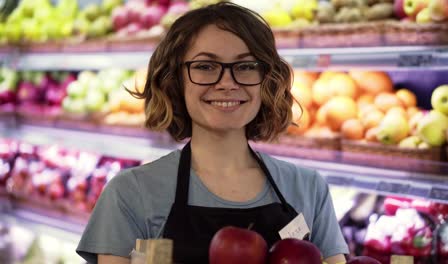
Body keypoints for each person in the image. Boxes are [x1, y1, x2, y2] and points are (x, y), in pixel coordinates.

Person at [76, 2, 349, 264]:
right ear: (175, 80)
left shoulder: (308, 188)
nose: (227, 83)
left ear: (267, 79)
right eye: (205, 67)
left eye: (245, 66)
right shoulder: (130, 193)